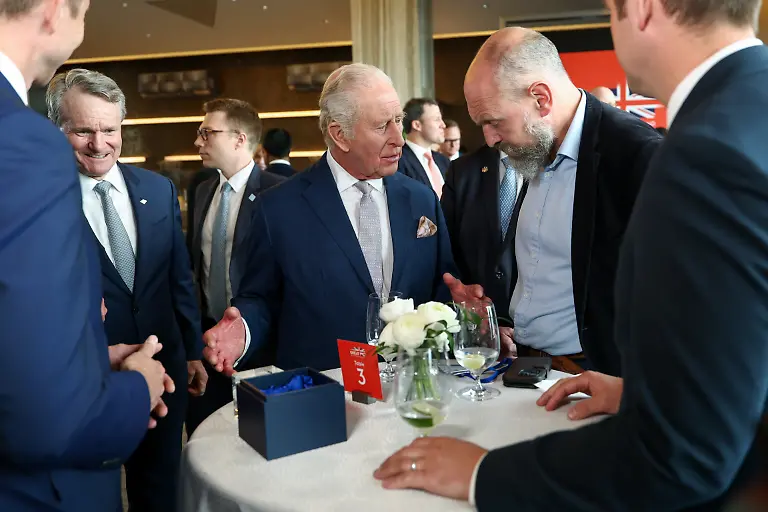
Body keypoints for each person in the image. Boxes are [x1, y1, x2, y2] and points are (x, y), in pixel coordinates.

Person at [375, 1, 768, 508]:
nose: (488, 140)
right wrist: (637, 393)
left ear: (643, 8)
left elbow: (684, 453)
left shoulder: (700, 154)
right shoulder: (745, 109)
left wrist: (481, 473)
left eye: (609, 8)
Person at [202, 63, 481, 374]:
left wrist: (464, 308)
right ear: (340, 135)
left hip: (413, 388)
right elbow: (261, 298)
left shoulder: (421, 198)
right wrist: (244, 329)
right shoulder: (278, 209)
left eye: (398, 121)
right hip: (327, 396)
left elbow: (442, 284)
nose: (399, 139)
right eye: (381, 126)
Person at [0, 1, 169, 511]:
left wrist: (89, 359)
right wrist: (137, 387)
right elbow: (48, 420)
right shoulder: (23, 143)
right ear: (53, 10)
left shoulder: (154, 191)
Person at [444, 28, 660, 375]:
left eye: (494, 122)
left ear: (540, 99)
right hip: (528, 364)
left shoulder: (635, 156)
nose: (489, 138)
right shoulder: (536, 148)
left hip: (595, 376)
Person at [47, 68, 204, 512]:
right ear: (59, 130)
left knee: (160, 491)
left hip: (163, 368)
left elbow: (179, 279)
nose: (99, 144)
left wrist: (191, 349)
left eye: (109, 130)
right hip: (88, 378)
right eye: (82, 131)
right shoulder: (43, 200)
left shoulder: (158, 188)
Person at [186, 98, 284, 435]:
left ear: (239, 139)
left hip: (261, 348)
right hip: (207, 343)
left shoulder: (278, 192)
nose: (199, 142)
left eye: (207, 133)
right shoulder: (202, 191)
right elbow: (194, 268)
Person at [397, 97, 449, 197]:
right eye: (437, 119)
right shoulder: (398, 160)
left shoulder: (443, 161)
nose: (443, 125)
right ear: (417, 125)